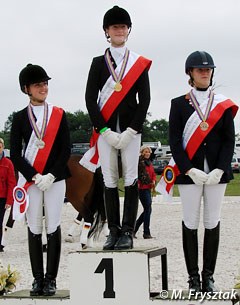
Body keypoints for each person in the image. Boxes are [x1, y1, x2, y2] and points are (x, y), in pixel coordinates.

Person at [80, 5, 151, 250]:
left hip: (132, 130)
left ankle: (128, 231)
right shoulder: (98, 63)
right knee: (109, 178)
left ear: (128, 30)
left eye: (123, 26)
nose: (119, 30)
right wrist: (104, 130)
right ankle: (113, 230)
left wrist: (132, 130)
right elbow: (90, 99)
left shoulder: (138, 64)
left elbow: (146, 100)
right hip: (106, 131)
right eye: (114, 27)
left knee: (131, 177)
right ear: (107, 31)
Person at [168, 51, 238, 293]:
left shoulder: (222, 104)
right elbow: (175, 141)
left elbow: (229, 140)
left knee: (212, 222)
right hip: (191, 175)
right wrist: (188, 169)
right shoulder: (178, 104)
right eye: (200, 69)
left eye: (208, 69)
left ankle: (208, 277)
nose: (204, 72)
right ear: (190, 73)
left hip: (217, 174)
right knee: (190, 223)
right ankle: (193, 278)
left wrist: (221, 168)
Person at [10, 64, 71, 296]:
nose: (43, 87)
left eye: (45, 83)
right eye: (38, 84)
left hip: (55, 179)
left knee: (53, 225)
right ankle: (37, 279)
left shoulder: (58, 114)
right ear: (27, 89)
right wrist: (34, 175)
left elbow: (65, 149)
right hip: (32, 181)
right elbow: (15, 153)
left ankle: (51, 279)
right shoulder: (19, 118)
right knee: (35, 226)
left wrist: (52, 175)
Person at [134, 145, 156, 239]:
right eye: (145, 152)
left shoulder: (149, 163)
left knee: (147, 210)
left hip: (148, 187)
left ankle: (134, 229)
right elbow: (139, 175)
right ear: (142, 152)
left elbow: (153, 173)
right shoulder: (140, 163)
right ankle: (146, 232)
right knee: (148, 209)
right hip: (142, 188)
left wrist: (154, 180)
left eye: (148, 152)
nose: (147, 153)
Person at [0, 138, 16, 252]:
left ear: (2, 147)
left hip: (2, 197)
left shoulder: (7, 163)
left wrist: (9, 200)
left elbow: (11, 182)